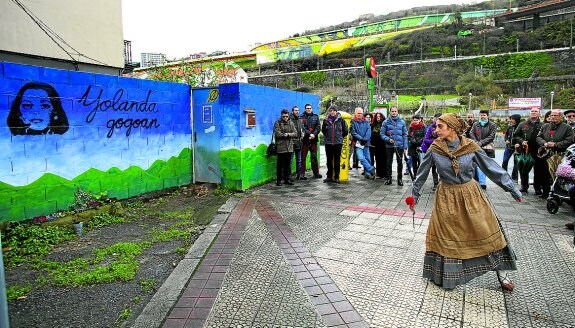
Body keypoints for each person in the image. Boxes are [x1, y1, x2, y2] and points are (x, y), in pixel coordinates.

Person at [409, 113, 523, 291]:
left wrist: (512, 188)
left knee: (486, 231)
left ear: (452, 128)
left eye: (440, 126)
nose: (435, 130)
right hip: (446, 197)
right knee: (447, 238)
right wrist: (413, 198)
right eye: (435, 126)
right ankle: (446, 275)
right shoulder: (435, 148)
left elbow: (491, 168)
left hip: (471, 195)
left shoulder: (471, 146)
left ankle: (502, 274)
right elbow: (421, 174)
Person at [535, 109, 574, 198]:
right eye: (552, 115)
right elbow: (538, 137)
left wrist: (556, 144)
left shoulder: (567, 128)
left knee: (556, 176)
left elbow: (569, 140)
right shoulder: (545, 126)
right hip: (545, 154)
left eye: (555, 115)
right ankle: (545, 193)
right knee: (544, 174)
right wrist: (544, 143)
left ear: (561, 117)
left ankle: (557, 195)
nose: (553, 117)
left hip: (559, 155)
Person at [513, 108, 544, 194]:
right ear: (529, 113)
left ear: (539, 114)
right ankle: (524, 186)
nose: (533, 113)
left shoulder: (543, 125)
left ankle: (537, 188)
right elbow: (515, 135)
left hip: (538, 151)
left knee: (538, 170)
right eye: (532, 111)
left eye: (535, 111)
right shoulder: (523, 124)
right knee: (523, 169)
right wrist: (521, 141)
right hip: (525, 150)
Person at [469, 109, 497, 190]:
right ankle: (481, 182)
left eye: (484, 115)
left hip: (487, 148)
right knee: (477, 164)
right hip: (476, 147)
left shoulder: (492, 125)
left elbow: (491, 136)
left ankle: (482, 182)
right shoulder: (476, 124)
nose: (482, 116)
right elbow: (471, 133)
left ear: (487, 116)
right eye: (481, 115)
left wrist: (481, 143)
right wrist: (476, 142)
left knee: (485, 165)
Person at [380, 106, 408, 186]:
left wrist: (405, 146)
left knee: (400, 163)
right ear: (390, 112)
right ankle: (389, 179)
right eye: (392, 111)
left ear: (397, 112)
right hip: (389, 146)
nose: (394, 113)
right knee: (389, 163)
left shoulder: (402, 122)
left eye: (395, 111)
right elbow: (382, 134)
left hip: (399, 145)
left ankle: (400, 179)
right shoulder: (385, 122)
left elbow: (405, 135)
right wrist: (388, 139)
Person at [321, 105, 348, 183]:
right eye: (331, 110)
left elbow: (345, 131)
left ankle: (336, 177)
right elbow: (323, 130)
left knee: (337, 161)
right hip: (328, 143)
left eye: (334, 110)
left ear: (336, 111)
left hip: (338, 143)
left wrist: (339, 137)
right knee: (329, 161)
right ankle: (329, 176)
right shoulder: (326, 120)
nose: (332, 112)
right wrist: (328, 137)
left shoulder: (341, 120)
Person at [273, 109, 297, 186]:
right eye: (284, 116)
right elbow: (277, 134)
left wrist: (288, 134)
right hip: (281, 147)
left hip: (289, 147)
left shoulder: (291, 122)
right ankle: (279, 180)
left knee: (287, 165)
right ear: (281, 115)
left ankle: (287, 179)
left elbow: (295, 133)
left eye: (287, 116)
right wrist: (285, 135)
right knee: (280, 165)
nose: (285, 118)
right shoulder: (278, 122)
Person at [351, 107, 376, 180]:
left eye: (361, 113)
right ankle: (371, 169)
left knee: (368, 158)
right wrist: (361, 139)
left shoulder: (366, 121)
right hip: (358, 143)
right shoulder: (353, 122)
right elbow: (353, 132)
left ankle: (367, 173)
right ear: (355, 113)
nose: (360, 115)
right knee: (361, 158)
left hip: (366, 143)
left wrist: (365, 139)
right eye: (358, 113)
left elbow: (369, 130)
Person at [421, 112, 442, 190]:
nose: (437, 120)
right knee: (434, 168)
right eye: (436, 118)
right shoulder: (431, 128)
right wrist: (435, 141)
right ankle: (435, 184)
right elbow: (426, 139)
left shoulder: (445, 127)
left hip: (442, 151)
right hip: (433, 150)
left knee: (442, 168)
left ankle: (441, 184)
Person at [300, 103, 322, 179]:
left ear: (311, 109)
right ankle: (302, 173)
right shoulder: (301, 117)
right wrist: (310, 134)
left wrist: (314, 134)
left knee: (314, 157)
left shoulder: (316, 117)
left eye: (310, 108)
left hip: (313, 140)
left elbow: (318, 127)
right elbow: (302, 127)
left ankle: (316, 173)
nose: (308, 109)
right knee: (303, 157)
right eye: (307, 108)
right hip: (305, 140)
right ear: (305, 109)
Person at [502, 114, 521, 182]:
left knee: (516, 163)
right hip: (509, 147)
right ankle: (504, 176)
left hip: (517, 148)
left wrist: (519, 144)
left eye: (512, 119)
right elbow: (506, 135)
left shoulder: (520, 127)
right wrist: (506, 140)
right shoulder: (509, 127)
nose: (511, 120)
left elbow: (522, 137)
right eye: (511, 119)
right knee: (505, 161)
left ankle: (514, 178)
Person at [289, 106, 306, 180]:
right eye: (296, 110)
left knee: (299, 160)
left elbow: (303, 128)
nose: (297, 112)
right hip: (292, 142)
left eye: (298, 110)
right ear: (292, 111)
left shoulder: (300, 119)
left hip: (299, 142)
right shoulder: (289, 120)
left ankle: (298, 175)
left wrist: (303, 133)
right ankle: (288, 176)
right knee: (290, 160)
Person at [371, 112, 387, 179]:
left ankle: (385, 173)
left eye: (379, 116)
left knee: (384, 159)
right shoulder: (373, 125)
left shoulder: (385, 125)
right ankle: (379, 173)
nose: (378, 118)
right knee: (378, 159)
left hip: (384, 144)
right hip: (376, 145)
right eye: (377, 117)